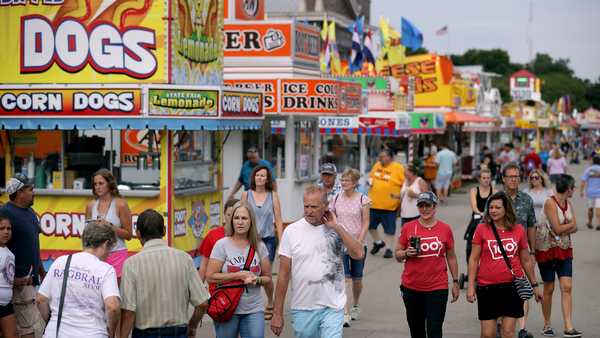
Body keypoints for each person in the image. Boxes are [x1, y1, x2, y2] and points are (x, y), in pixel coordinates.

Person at [270, 186, 364, 338]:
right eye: (306, 206)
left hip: (333, 306)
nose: (309, 211)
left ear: (326, 206)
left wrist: (336, 227)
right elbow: (283, 275)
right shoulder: (291, 231)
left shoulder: (337, 228)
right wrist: (277, 313)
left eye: (314, 207)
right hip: (303, 307)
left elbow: (358, 253)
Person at [119, 209, 209, 338]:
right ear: (164, 231)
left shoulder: (131, 264)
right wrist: (192, 325)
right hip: (178, 332)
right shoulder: (184, 259)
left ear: (138, 233)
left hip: (145, 333)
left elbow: (128, 311)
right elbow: (202, 303)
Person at [467, 191, 542, 338]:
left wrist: (535, 286)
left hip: (511, 287)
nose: (493, 210)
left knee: (508, 332)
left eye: (497, 207)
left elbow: (526, 260)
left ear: (506, 209)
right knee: (488, 334)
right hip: (487, 287)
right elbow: (474, 259)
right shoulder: (482, 229)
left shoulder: (518, 230)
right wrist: (470, 286)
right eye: (491, 207)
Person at [36, 221, 121, 338]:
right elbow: (112, 306)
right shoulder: (105, 270)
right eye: (111, 248)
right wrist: (111, 333)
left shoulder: (60, 262)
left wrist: (50, 323)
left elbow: (41, 300)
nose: (109, 254)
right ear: (105, 244)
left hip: (56, 333)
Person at [395, 192, 459, 338]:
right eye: (421, 206)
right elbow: (397, 254)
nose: (424, 209)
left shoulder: (445, 229)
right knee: (416, 331)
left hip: (437, 287)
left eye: (428, 205)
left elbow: (451, 257)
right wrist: (405, 253)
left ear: (435, 207)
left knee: (434, 330)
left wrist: (455, 282)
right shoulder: (409, 227)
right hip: (412, 287)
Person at [206, 202, 272, 338]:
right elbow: (210, 276)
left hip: (254, 309)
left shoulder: (260, 246)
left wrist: (257, 279)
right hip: (227, 308)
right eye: (236, 218)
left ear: (251, 221)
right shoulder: (222, 245)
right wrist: (237, 275)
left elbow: (268, 278)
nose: (240, 222)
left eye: (244, 218)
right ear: (231, 221)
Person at [536, 174, 582, 338]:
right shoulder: (550, 202)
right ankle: (546, 324)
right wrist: (569, 226)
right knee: (549, 288)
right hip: (546, 250)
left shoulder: (568, 204)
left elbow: (575, 227)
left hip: (564, 248)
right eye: (573, 187)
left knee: (567, 287)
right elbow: (557, 229)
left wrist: (567, 227)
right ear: (568, 188)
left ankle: (568, 327)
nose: (574, 190)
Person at [0, 174, 46, 337]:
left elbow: (34, 245)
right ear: (20, 192)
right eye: (30, 189)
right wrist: (13, 280)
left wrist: (41, 272)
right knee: (30, 331)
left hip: (30, 283)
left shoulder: (30, 213)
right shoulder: (5, 212)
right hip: (17, 285)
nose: (34, 193)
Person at [241, 165, 283, 320]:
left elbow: (278, 220)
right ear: (254, 178)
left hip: (268, 239)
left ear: (267, 179)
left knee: (266, 274)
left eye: (263, 176)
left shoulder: (273, 195)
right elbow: (240, 215)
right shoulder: (246, 194)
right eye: (257, 175)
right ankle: (252, 304)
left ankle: (270, 301)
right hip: (249, 238)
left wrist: (282, 242)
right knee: (250, 271)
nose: (260, 178)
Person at [330, 168, 371, 327]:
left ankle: (355, 305)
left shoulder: (363, 199)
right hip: (340, 244)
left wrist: (359, 241)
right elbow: (332, 218)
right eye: (342, 180)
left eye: (347, 180)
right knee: (344, 277)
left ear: (354, 183)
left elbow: (366, 222)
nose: (344, 183)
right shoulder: (335, 198)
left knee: (357, 278)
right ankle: (344, 312)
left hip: (358, 244)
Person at [501, 163, 537, 338]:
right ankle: (502, 324)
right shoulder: (496, 200)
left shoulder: (527, 199)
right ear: (504, 179)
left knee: (523, 289)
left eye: (516, 176)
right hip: (498, 254)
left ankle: (522, 328)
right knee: (501, 290)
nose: (514, 180)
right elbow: (485, 226)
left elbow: (531, 227)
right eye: (510, 177)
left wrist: (532, 251)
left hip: (521, 253)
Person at [85, 169, 132, 280]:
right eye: (95, 184)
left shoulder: (121, 204)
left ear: (110, 184)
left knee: (115, 294)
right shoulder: (90, 206)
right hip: (95, 256)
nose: (98, 187)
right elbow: (86, 234)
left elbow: (129, 235)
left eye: (101, 183)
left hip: (117, 254)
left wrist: (109, 227)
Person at [367, 149, 405, 259]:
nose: (380, 158)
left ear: (390, 157)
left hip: (389, 205)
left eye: (383, 156)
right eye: (380, 156)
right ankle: (378, 242)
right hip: (374, 203)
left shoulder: (398, 167)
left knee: (389, 229)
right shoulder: (377, 165)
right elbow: (371, 177)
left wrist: (401, 199)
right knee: (369, 225)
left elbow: (404, 183)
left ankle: (388, 249)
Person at [198, 198, 239, 281]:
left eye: (236, 216)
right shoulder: (212, 235)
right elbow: (204, 265)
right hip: (218, 288)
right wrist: (199, 289)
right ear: (224, 214)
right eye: (229, 215)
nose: (232, 219)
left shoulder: (248, 237)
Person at [466, 169, 496, 263]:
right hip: (477, 220)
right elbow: (474, 207)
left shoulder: (494, 191)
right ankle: (471, 267)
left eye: (488, 178)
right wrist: (480, 213)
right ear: (479, 179)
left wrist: (489, 215)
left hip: (491, 221)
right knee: (470, 246)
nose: (486, 180)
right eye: (484, 178)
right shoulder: (474, 191)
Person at [0, 213, 16, 338]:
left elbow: (7, 278)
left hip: (7, 304)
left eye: (8, 229)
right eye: (1, 228)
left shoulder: (11, 254)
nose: (6, 232)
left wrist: (19, 281)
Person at [580, 156, 600, 230]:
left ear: (593, 161)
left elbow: (583, 181)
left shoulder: (588, 169)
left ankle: (590, 222)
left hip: (590, 192)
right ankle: (598, 223)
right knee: (599, 208)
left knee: (590, 208)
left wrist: (581, 191)